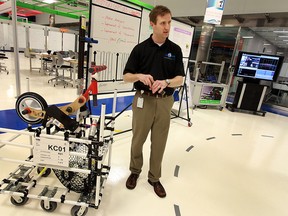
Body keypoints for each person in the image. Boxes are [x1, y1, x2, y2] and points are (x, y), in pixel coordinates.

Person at [123, 5, 185, 198]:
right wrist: (139, 76)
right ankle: (135, 171)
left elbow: (180, 79)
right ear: (153, 24)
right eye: (163, 23)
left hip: (165, 101)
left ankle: (154, 178)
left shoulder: (174, 50)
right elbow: (126, 76)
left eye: (169, 22)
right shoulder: (140, 49)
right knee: (137, 140)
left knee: (159, 143)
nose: (167, 27)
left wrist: (166, 81)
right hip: (143, 100)